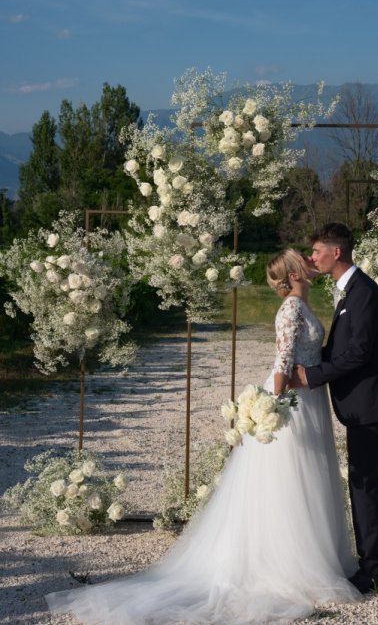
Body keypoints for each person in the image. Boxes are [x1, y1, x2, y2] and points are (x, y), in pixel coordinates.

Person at [45, 248, 360, 624]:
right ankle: (289, 565)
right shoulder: (291, 310)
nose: (310, 261)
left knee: (310, 475)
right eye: (302, 259)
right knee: (291, 480)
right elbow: (281, 362)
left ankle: (315, 556)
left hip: (310, 398)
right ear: (293, 272)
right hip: (293, 400)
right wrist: (272, 407)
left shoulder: (303, 305)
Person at [290, 223, 378, 594]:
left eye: (317, 250)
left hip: (371, 404)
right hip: (362, 405)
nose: (313, 257)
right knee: (363, 483)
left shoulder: (364, 293)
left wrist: (313, 375)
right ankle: (373, 563)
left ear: (337, 252)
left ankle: (377, 571)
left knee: (366, 484)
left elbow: (359, 354)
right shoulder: (349, 291)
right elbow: (342, 349)